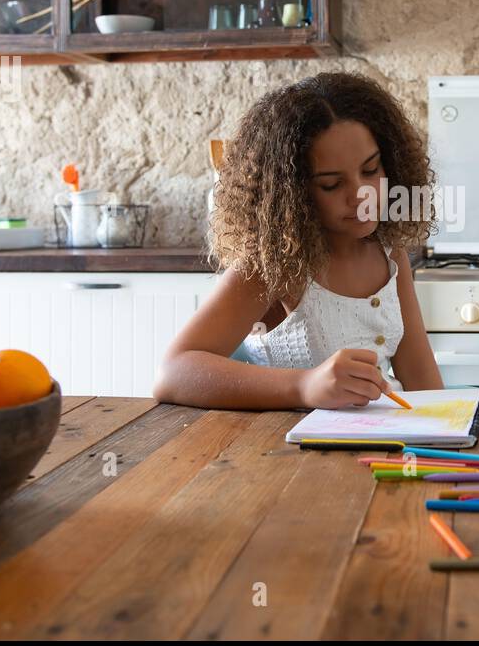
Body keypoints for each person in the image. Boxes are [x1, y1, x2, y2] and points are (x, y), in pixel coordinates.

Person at [155, 72, 443, 410]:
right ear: (293, 193)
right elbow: (172, 373)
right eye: (331, 185)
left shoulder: (390, 255)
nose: (361, 196)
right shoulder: (275, 264)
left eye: (370, 171)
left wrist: (449, 435)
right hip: (293, 455)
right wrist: (304, 386)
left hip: (380, 443)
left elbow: (424, 381)